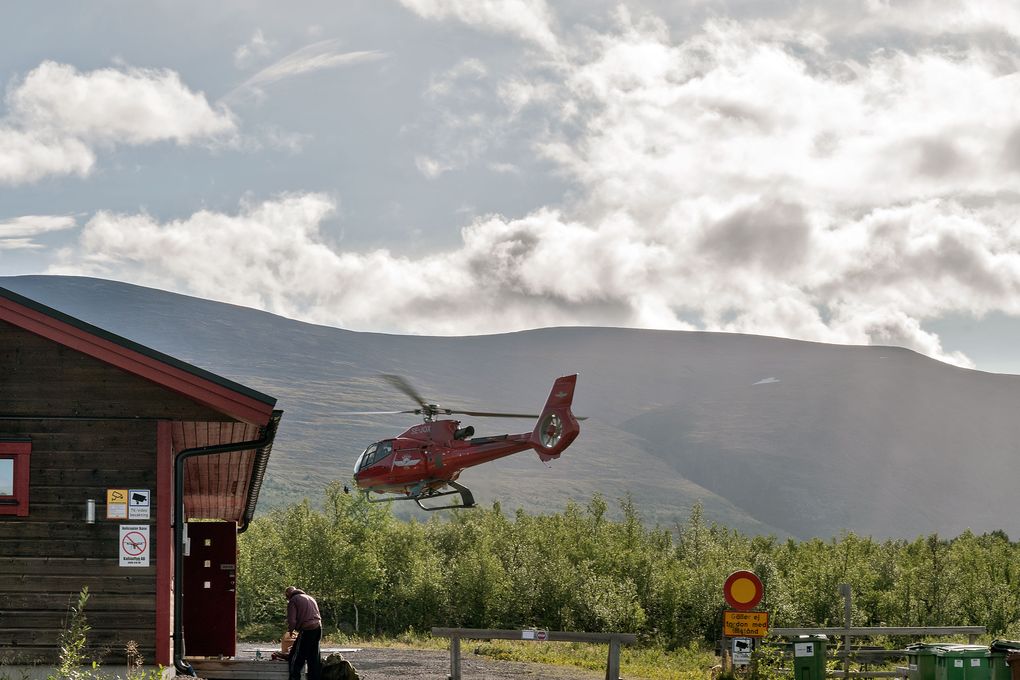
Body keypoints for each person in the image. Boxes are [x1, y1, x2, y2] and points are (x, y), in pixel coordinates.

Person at [285, 586, 322, 680]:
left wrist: (290, 630)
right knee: (313, 657)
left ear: (288, 595)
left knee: (295, 656)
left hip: (307, 629)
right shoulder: (310, 598)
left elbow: (292, 621)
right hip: (318, 628)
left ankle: (294, 678)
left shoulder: (293, 600)